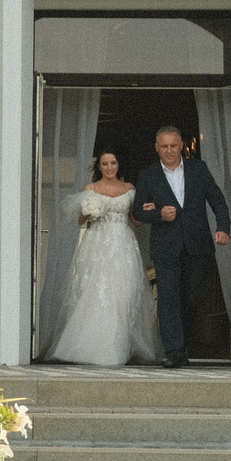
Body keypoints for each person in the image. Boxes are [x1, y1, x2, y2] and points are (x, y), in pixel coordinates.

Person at [39, 148, 156, 366]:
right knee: (95, 292)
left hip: (123, 243)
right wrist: (89, 210)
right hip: (97, 244)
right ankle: (90, 347)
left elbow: (136, 220)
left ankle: (119, 346)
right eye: (105, 164)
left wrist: (149, 209)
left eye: (113, 163)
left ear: (118, 165)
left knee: (123, 293)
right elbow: (80, 221)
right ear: (99, 166)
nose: (110, 167)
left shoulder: (129, 189)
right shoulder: (90, 188)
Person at [132, 125, 231, 368]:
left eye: (173, 145)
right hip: (166, 248)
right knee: (168, 298)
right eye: (163, 146)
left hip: (197, 245)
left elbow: (217, 199)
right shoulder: (148, 175)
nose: (168, 150)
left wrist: (223, 228)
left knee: (192, 299)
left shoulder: (199, 169)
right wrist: (158, 214)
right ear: (156, 148)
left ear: (182, 146)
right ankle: (174, 352)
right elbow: (136, 212)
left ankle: (185, 346)